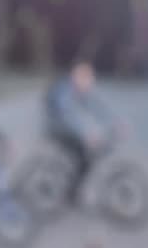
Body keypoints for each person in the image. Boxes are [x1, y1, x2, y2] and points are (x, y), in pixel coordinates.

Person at [45, 60, 111, 203]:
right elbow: (67, 116)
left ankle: (73, 189)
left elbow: (98, 107)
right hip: (57, 130)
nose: (89, 83)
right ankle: (72, 194)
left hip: (68, 129)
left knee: (87, 157)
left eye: (90, 79)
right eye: (86, 78)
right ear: (76, 76)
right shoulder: (64, 90)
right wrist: (86, 133)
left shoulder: (80, 89)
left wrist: (116, 123)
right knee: (84, 157)